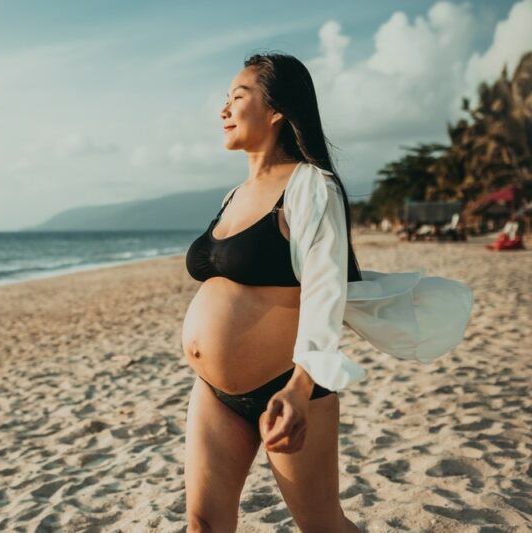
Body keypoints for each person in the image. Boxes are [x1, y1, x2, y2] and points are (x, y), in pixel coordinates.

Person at [181, 52, 473, 532]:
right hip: (214, 393)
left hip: (289, 385)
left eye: (238, 96)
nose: (224, 110)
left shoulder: (310, 187)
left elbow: (324, 290)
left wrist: (299, 388)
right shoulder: (232, 197)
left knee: (322, 525)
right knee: (202, 525)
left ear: (276, 110)